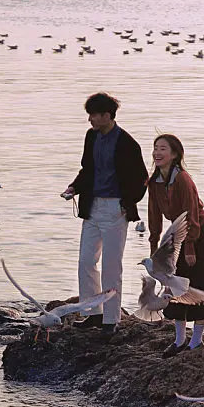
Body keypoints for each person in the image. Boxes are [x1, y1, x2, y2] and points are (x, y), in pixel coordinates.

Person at [62, 93, 148, 336]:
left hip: (115, 208)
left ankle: (111, 319)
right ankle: (92, 313)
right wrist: (74, 187)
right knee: (86, 261)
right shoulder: (91, 137)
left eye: (93, 115)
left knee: (112, 265)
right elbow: (87, 169)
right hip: (92, 206)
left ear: (106, 115)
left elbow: (142, 180)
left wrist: (127, 203)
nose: (89, 119)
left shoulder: (128, 143)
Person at [147, 134, 204, 357]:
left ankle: (196, 341)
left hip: (197, 236)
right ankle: (180, 340)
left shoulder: (183, 179)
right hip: (175, 236)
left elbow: (191, 213)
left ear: (174, 154)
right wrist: (155, 247)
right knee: (175, 289)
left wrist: (190, 247)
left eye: (163, 149)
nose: (157, 153)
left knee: (200, 287)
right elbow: (153, 216)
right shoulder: (154, 182)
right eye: (155, 148)